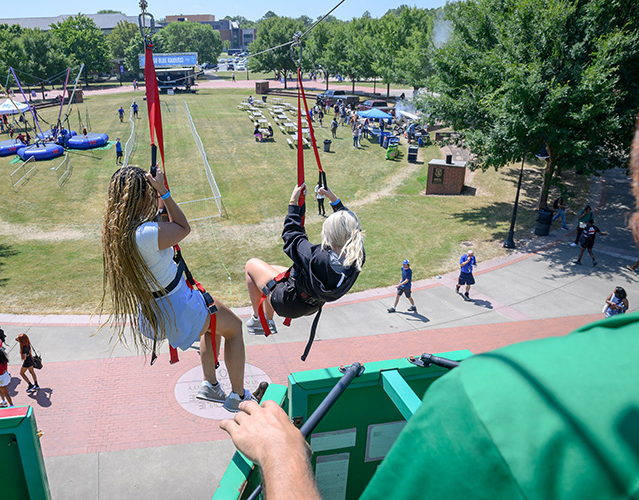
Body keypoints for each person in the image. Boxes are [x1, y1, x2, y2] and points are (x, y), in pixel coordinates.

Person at [219, 103, 639, 500]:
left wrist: (295, 207)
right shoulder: (355, 260)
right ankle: (266, 313)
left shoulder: (314, 256)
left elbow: (293, 239)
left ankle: (263, 316)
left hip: (292, 298)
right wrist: (336, 202)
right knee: (272, 269)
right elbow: (351, 231)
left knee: (255, 267)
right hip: (310, 301)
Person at [100, 167, 253, 412]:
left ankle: (211, 385)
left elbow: (158, 238)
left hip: (154, 310)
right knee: (234, 328)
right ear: (140, 197)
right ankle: (239, 396)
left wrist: (159, 206)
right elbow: (183, 228)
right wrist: (165, 192)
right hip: (179, 306)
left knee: (212, 327)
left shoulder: (117, 234)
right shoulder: (145, 234)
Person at [244, 184, 364, 335]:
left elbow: (292, 236)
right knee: (271, 268)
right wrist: (333, 199)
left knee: (251, 266)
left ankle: (259, 321)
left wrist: (293, 203)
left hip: (289, 301)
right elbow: (350, 225)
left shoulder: (317, 258)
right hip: (312, 303)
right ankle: (268, 319)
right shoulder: (357, 255)